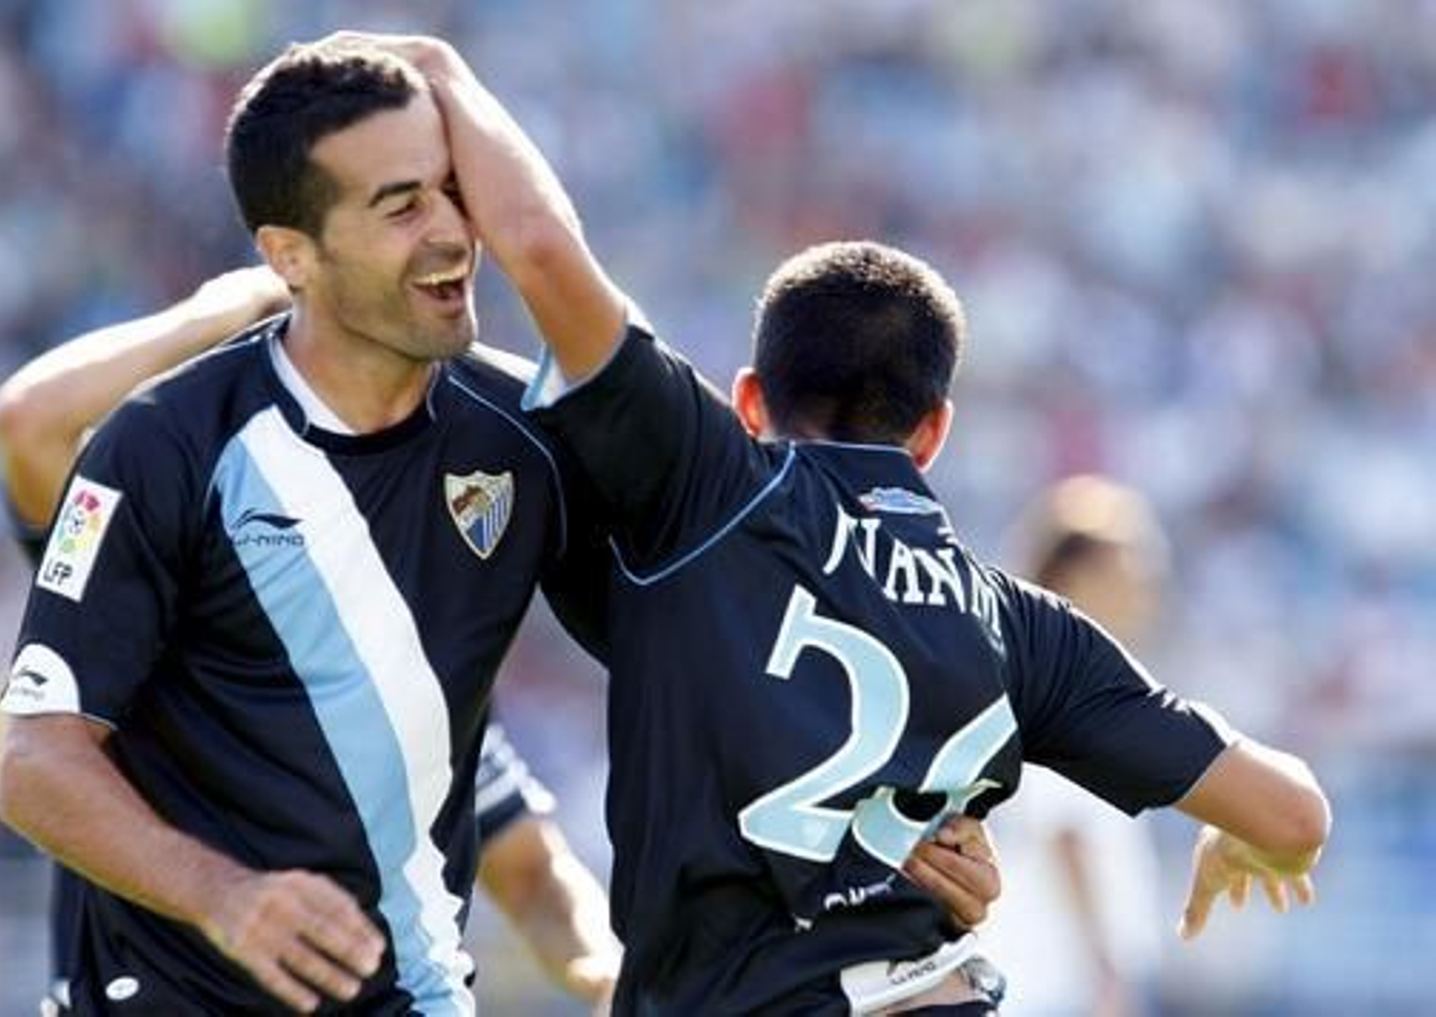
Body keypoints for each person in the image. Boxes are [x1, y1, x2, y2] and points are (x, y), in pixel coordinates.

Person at [0, 36, 1000, 1015]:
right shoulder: (166, 444)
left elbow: (730, 640)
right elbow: (35, 766)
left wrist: (899, 812)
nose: (448, 232)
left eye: (450, 190)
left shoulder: (526, 436)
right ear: (290, 255)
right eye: (399, 206)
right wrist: (224, 895)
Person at [373, 33, 1331, 1016]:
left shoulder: (712, 487)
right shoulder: (1026, 629)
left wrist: (436, 72)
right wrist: (1242, 836)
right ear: (935, 432)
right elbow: (1294, 810)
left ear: (749, 400)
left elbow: (537, 245)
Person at [0, 266, 621, 1010]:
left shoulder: (414, 673)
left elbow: (534, 875)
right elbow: (28, 423)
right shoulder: (158, 517)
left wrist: (608, 975)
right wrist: (215, 318)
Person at [977, 476, 1176, 1017]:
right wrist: (1107, 975)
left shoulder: (1054, 679)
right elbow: (1067, 831)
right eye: (1128, 564)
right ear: (1075, 576)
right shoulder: (1062, 689)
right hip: (1060, 987)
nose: (1147, 583)